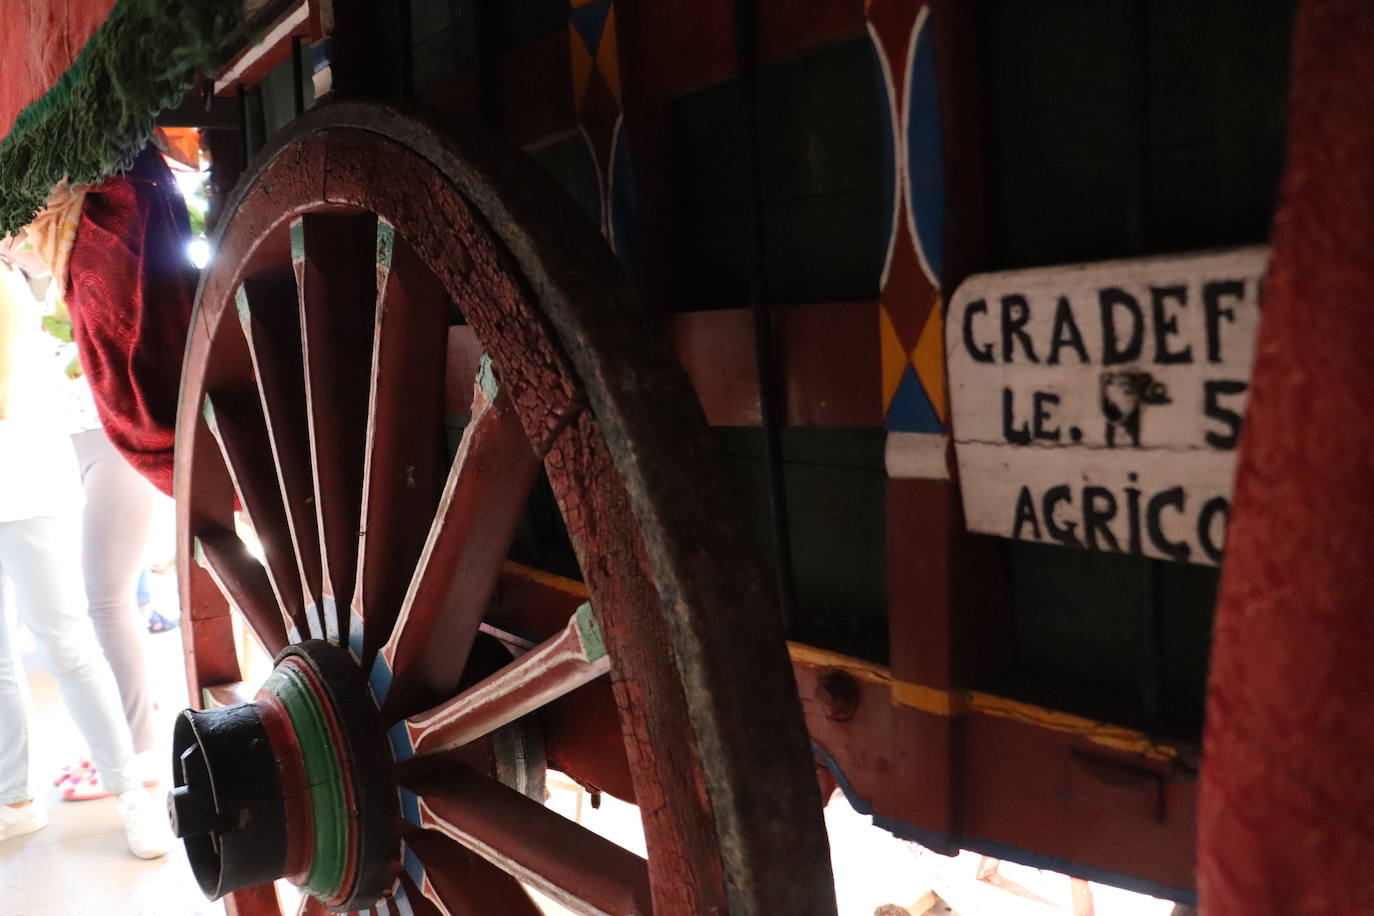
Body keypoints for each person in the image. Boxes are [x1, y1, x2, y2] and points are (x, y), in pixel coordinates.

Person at [0, 261, 169, 858]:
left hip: (26, 481)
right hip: (35, 466)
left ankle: (131, 789)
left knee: (72, 637)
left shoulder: (4, 278)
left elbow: (4, 393)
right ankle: (14, 799)